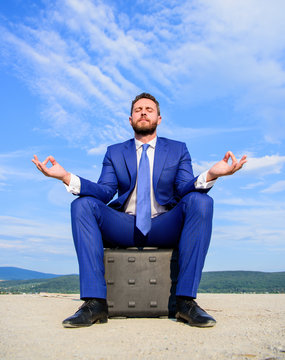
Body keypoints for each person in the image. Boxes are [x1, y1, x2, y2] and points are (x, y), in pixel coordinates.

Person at [32, 93, 247, 328]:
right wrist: (65, 176)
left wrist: (211, 174)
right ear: (130, 119)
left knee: (201, 200)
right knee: (82, 204)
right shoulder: (114, 152)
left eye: (149, 109)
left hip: (165, 224)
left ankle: (186, 302)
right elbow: (104, 192)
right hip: (125, 225)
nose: (143, 112)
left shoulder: (178, 149)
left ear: (159, 118)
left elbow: (185, 189)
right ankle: (95, 304)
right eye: (138, 109)